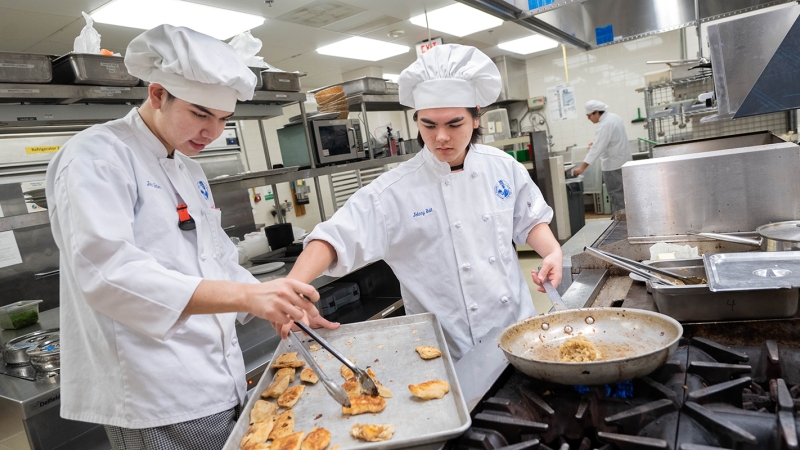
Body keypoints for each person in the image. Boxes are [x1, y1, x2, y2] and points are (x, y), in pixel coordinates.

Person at [45, 25, 328, 450]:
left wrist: (273, 300)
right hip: (154, 394)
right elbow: (109, 274)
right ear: (158, 94)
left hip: (219, 380)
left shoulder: (189, 169)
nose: (212, 132)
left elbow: (216, 260)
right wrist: (247, 299)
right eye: (200, 114)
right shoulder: (96, 156)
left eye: (223, 120)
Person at [280, 44, 562, 361]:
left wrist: (551, 250)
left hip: (516, 331)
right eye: (428, 125)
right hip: (445, 349)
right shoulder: (396, 189)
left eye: (454, 124)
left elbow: (529, 219)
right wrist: (290, 289)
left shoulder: (503, 167)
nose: (441, 136)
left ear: (476, 118)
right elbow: (334, 238)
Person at [572, 100, 631, 213]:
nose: (589, 119)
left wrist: (582, 168)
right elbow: (610, 140)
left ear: (596, 112)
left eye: (589, 116)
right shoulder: (614, 117)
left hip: (613, 166)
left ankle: (621, 223)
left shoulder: (604, 124)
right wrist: (596, 143)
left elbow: (596, 149)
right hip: (623, 163)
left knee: (616, 195)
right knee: (624, 195)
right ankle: (621, 219)